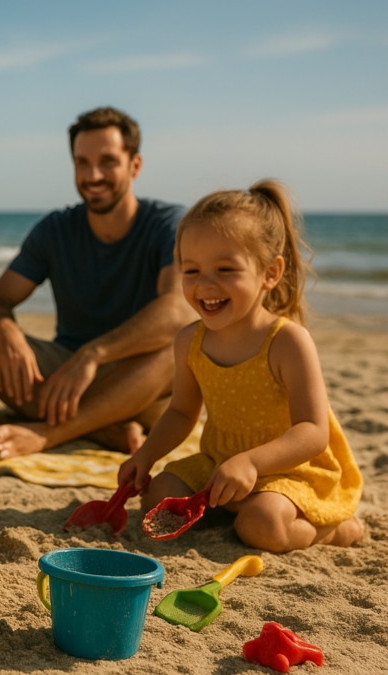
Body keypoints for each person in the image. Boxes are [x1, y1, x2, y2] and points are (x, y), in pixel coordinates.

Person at [119, 180, 363, 552]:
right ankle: (228, 509)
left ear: (270, 272)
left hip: (288, 470)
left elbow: (313, 432)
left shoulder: (287, 341)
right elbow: (182, 412)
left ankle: (333, 530)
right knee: (156, 498)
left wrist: (251, 462)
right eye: (192, 271)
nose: (206, 285)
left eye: (225, 269)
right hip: (220, 461)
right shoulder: (189, 340)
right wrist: (146, 455)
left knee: (260, 525)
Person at [0, 107, 197, 458]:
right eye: (82, 162)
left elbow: (177, 309)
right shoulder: (56, 229)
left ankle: (49, 433)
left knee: (185, 347)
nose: (93, 175)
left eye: (107, 161)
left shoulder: (168, 223)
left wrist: (92, 355)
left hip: (140, 378)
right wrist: (7, 333)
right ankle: (103, 427)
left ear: (135, 165)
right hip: (64, 376)